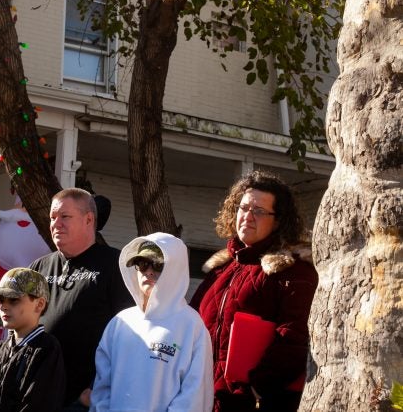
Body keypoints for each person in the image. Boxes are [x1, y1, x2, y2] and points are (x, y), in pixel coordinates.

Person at [189, 170, 318, 412]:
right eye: (244, 208)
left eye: (258, 211)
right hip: (205, 400)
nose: (248, 216)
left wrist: (258, 388)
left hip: (257, 403)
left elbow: (296, 336)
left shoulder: (293, 270)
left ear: (278, 220)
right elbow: (191, 327)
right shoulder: (219, 270)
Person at [29, 188, 133, 410]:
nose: (56, 224)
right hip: (36, 394)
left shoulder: (116, 266)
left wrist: (94, 392)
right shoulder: (39, 267)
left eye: (65, 216)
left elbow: (129, 336)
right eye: (52, 218)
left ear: (88, 219)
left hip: (84, 400)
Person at [90, 233, 214, 412]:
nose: (148, 271)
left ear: (175, 268)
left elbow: (195, 395)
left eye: (157, 265)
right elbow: (102, 388)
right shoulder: (120, 323)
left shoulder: (191, 325)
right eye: (142, 264)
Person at [0, 267, 65, 412]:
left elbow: (39, 404)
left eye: (14, 300)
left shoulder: (47, 350)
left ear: (39, 304)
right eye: (1, 300)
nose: (4, 306)